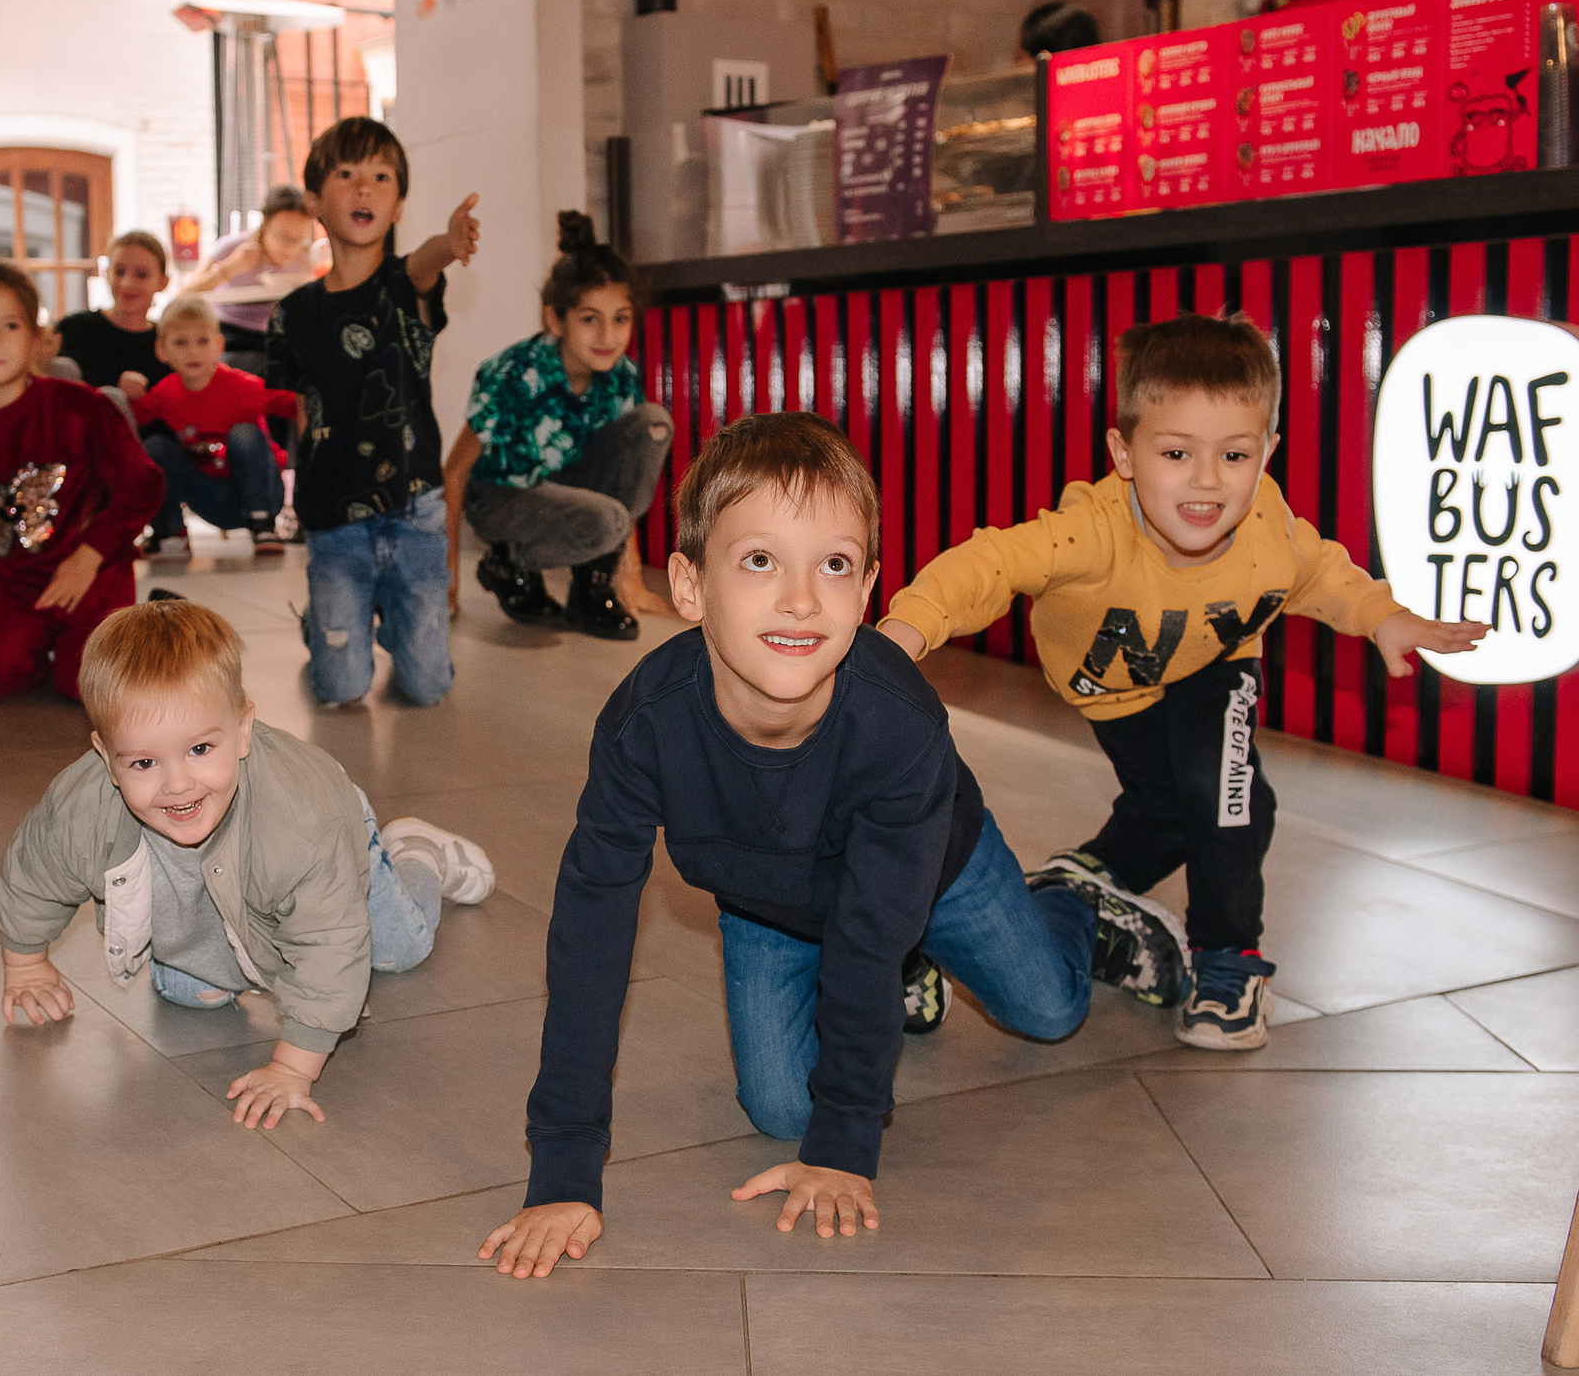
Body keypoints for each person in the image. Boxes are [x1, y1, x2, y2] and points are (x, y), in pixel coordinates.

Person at [482, 413, 1114, 1281]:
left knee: (1048, 1009)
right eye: (758, 560)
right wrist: (563, 1167)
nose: (800, 599)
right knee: (781, 1107)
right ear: (689, 584)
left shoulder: (899, 727)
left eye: (836, 565)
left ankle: (1073, 900)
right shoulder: (645, 728)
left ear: (867, 591)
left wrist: (848, 1144)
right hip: (770, 898)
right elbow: (591, 934)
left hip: (932, 872)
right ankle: (912, 974)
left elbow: (867, 934)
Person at [881, 313, 1491, 1048]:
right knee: (1166, 807)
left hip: (1216, 664)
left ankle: (1229, 962)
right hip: (1115, 688)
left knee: (1227, 795)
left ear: (1267, 450)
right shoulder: (1093, 532)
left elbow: (1324, 573)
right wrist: (907, 629)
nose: (1207, 481)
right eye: (1176, 452)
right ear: (1125, 452)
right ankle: (1085, 876)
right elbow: (991, 564)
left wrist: (1383, 616)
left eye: (1234, 454)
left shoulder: (1270, 533)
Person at [0, 599, 492, 1127]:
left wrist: (293, 1067)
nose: (177, 783)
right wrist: (25, 961)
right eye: (143, 762)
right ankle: (217, 953)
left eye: (201, 749)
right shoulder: (80, 810)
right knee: (193, 994)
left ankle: (417, 853)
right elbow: (31, 876)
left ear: (244, 728)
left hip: (338, 851)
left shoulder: (303, 821)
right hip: (221, 888)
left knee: (395, 950)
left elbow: (329, 944)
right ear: (104, 756)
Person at [265, 118, 481, 709]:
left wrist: (449, 243)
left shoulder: (403, 286)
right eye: (346, 175)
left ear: (399, 204)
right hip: (336, 521)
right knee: (342, 688)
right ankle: (329, 624)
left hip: (414, 511)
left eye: (381, 177)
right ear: (313, 200)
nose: (365, 189)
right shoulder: (292, 314)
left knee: (429, 686)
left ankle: (388, 617)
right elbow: (292, 411)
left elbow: (427, 263)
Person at [0, 261, 165, 702]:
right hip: (13, 584)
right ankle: (46, 647)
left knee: (84, 685)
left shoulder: (80, 409)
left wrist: (90, 556)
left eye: (11, 325)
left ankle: (145, 629)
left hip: (93, 571)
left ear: (36, 338)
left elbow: (143, 485)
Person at [443, 210, 673, 642]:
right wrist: (447, 575)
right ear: (556, 320)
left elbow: (625, 474)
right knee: (606, 520)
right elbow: (454, 473)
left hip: (564, 488)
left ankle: (594, 586)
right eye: (590, 319)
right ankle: (507, 561)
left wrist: (632, 580)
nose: (608, 334)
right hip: (500, 496)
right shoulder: (515, 373)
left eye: (620, 318)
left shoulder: (620, 374)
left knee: (653, 424)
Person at [133, 294, 299, 555]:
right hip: (209, 497)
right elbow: (132, 419)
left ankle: (262, 523)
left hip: (263, 493)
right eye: (180, 342)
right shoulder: (165, 393)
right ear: (161, 350)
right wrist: (130, 394)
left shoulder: (240, 386)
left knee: (244, 433)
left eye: (202, 341)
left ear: (218, 344)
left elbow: (290, 403)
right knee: (155, 445)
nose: (192, 351)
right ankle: (170, 530)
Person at [183, 183, 322, 378]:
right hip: (230, 338)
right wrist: (228, 269)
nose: (289, 246)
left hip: (277, 339)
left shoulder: (303, 258)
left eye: (298, 238)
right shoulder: (232, 248)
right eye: (283, 236)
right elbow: (184, 295)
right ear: (265, 224)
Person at [54, 231, 175, 397]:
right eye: (119, 271)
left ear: (163, 282)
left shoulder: (172, 342)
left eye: (141, 275)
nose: (127, 283)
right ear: (107, 274)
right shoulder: (74, 329)